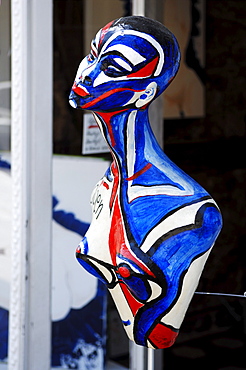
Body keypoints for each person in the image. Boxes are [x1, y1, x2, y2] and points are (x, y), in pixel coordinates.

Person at [69, 16, 222, 349]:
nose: (88, 74)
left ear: (145, 93)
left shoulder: (190, 212)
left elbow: (159, 333)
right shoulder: (109, 182)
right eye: (92, 55)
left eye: (111, 67)